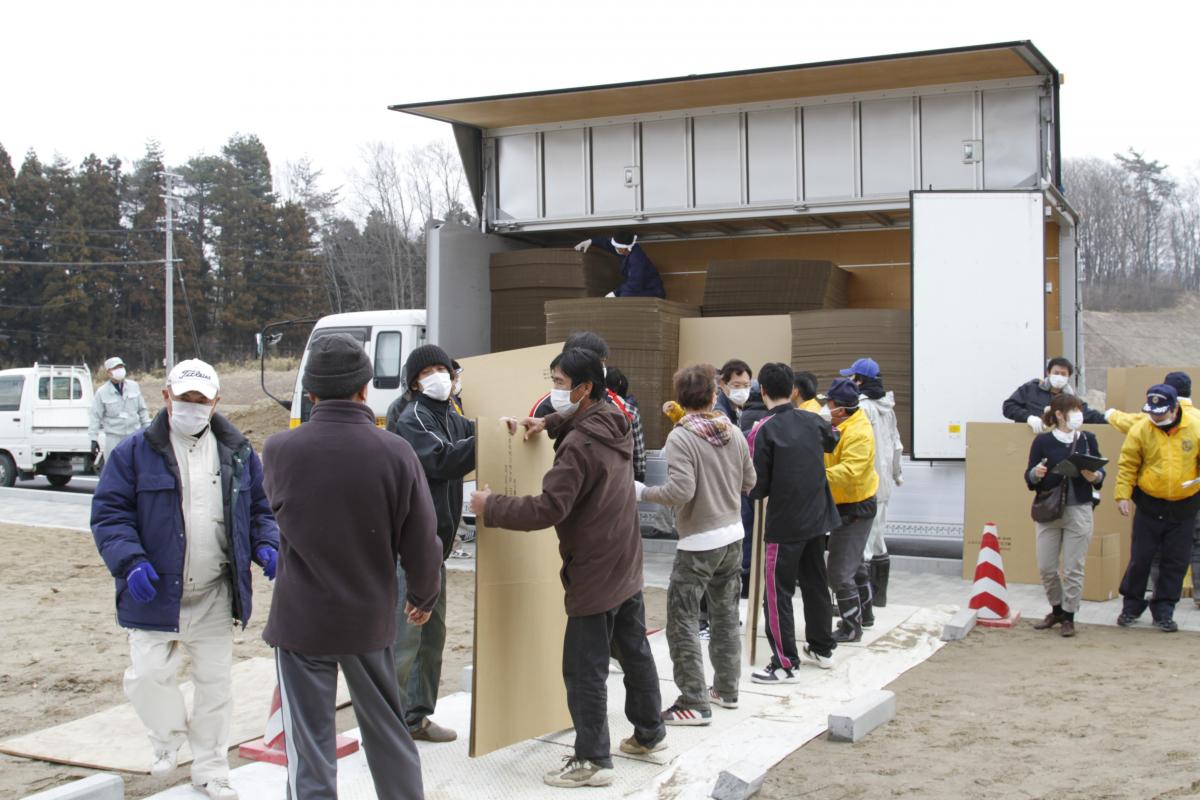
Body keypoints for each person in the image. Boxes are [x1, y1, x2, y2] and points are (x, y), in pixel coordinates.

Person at [471, 348, 665, 788]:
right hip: (624, 557)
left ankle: (592, 761)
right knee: (633, 650)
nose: (554, 391)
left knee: (583, 668)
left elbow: (548, 508)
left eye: (559, 383)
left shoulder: (579, 446)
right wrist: (549, 422)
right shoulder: (615, 420)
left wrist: (490, 505)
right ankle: (650, 732)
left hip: (595, 568)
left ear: (584, 388)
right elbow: (582, 424)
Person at [262, 333, 443, 800]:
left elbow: (279, 515)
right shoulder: (394, 451)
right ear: (365, 390)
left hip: (301, 621)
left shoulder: (280, 450)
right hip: (368, 617)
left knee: (310, 745)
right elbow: (422, 540)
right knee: (387, 733)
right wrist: (423, 596)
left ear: (313, 393)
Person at [91, 359, 279, 800]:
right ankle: (167, 737)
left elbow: (259, 510)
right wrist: (130, 561)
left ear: (215, 402)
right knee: (149, 675)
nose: (191, 408)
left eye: (200, 401)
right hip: (156, 591)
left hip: (215, 591)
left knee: (216, 687)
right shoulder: (133, 453)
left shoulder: (238, 452)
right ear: (166, 398)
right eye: (183, 399)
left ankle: (211, 770)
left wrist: (266, 544)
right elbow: (109, 515)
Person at [638, 364, 755, 725]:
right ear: (713, 395)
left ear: (679, 398)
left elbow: (680, 491)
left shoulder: (682, 437)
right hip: (733, 535)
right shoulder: (732, 431)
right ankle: (727, 689)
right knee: (724, 615)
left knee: (683, 619)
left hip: (699, 541)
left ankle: (693, 700)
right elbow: (749, 480)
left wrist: (643, 492)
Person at [390, 344, 476, 743]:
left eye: (445, 368)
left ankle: (417, 717)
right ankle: (389, 722)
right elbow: (443, 460)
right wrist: (491, 436)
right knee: (405, 640)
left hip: (437, 548)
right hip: (410, 549)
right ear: (415, 381)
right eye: (430, 370)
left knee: (432, 639)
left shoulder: (452, 417)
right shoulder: (414, 418)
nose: (440, 376)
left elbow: (473, 435)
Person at [747, 363, 842, 682]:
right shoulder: (814, 420)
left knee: (777, 592)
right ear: (793, 390)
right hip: (818, 517)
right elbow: (832, 441)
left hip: (785, 523)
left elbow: (755, 484)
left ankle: (786, 662)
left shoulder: (763, 429)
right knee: (816, 584)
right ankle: (822, 647)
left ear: (762, 391)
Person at [1114, 384, 1200, 632]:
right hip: (1150, 504)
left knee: (1176, 560)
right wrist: (1122, 495)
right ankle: (1131, 606)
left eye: (1161, 412)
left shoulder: (1194, 427)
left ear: (1174, 408)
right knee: (1141, 557)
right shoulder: (1141, 429)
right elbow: (1128, 464)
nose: (1156, 416)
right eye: (1152, 411)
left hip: (1184, 505)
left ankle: (1164, 610)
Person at [1025, 394, 1105, 637]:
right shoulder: (1043, 441)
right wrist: (1036, 473)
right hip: (1049, 509)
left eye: (1079, 410)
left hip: (1079, 508)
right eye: (1073, 410)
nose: (1077, 415)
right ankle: (1056, 609)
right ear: (1059, 414)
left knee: (1073, 567)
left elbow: (1100, 472)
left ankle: (1069, 615)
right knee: (1047, 567)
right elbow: (1029, 477)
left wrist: (1096, 476)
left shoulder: (1087, 439)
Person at [530, 331, 646, 482]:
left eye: (603, 362)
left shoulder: (621, 408)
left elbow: (636, 469)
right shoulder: (543, 409)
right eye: (599, 362)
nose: (603, 368)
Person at [840, 358, 903, 608]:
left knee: (862, 545)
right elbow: (897, 445)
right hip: (884, 485)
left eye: (851, 377)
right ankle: (878, 598)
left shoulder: (863, 408)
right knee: (878, 540)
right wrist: (896, 474)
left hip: (867, 485)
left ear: (859, 380)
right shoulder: (888, 407)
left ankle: (859, 604)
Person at [822, 377, 879, 644]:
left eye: (829, 405)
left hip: (855, 505)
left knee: (838, 571)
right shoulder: (843, 425)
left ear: (841, 409)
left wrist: (814, 475)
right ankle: (865, 615)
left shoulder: (857, 433)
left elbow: (850, 471)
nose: (826, 409)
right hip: (847, 502)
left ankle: (850, 627)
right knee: (853, 564)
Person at [1003, 357, 1104, 432]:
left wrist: (1110, 418)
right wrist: (1029, 418)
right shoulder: (1031, 388)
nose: (1059, 376)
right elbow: (1008, 407)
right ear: (1048, 372)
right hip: (1029, 437)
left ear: (1069, 376)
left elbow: (1089, 415)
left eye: (1063, 374)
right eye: (1056, 373)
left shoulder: (1071, 399)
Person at [89, 356, 151, 469]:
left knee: (136, 468)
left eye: (121, 367)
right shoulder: (102, 392)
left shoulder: (134, 386)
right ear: (109, 372)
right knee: (115, 469)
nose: (120, 370)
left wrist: (148, 430)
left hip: (134, 436)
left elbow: (142, 410)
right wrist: (93, 439)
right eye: (116, 368)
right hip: (114, 438)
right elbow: (95, 416)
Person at [575, 232, 666, 298]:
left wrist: (615, 293)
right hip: (640, 288)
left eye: (617, 247)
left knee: (626, 295)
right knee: (624, 293)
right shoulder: (624, 250)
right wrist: (591, 241)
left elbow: (634, 284)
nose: (615, 249)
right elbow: (607, 244)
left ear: (624, 248)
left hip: (652, 291)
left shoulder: (637, 259)